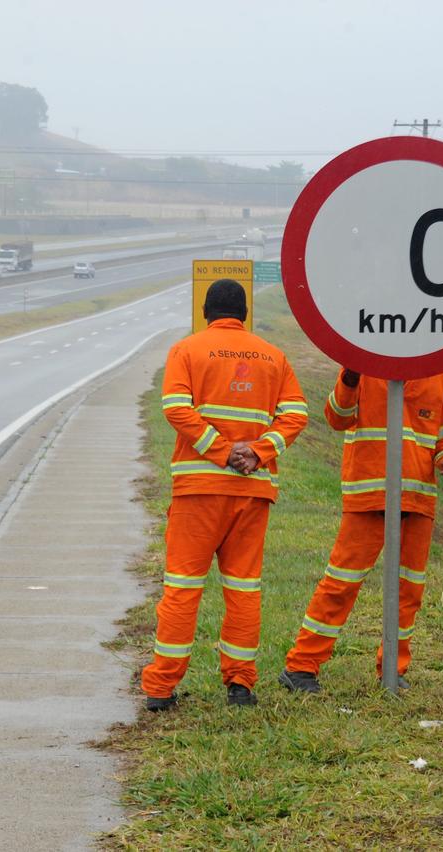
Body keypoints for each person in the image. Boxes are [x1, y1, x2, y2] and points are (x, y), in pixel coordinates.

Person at [141, 280, 308, 709]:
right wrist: (259, 450)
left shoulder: (187, 350)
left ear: (205, 311)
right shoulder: (274, 356)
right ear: (245, 314)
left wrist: (219, 450)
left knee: (182, 588)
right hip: (252, 493)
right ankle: (240, 686)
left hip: (198, 490)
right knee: (243, 589)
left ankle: (160, 690)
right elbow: (297, 414)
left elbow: (176, 407)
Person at [279, 367, 443, 693]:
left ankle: (393, 670)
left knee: (408, 591)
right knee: (340, 584)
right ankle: (300, 666)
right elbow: (337, 417)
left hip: (417, 499)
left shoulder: (440, 372)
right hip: (369, 495)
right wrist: (350, 376)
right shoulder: (362, 364)